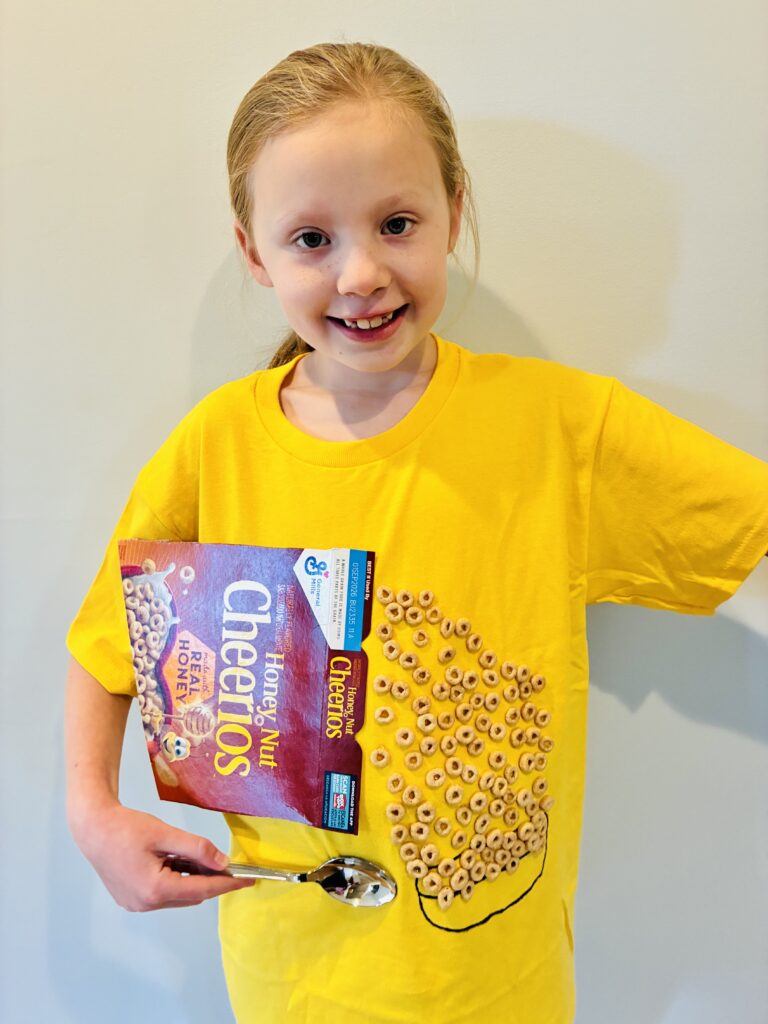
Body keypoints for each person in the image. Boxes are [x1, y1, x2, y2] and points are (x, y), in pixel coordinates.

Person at [65, 41, 768, 1024]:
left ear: (453, 215)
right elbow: (106, 645)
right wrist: (94, 815)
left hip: (498, 988)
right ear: (252, 252)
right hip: (290, 975)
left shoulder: (561, 426)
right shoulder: (217, 446)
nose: (361, 272)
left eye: (397, 222)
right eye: (310, 238)